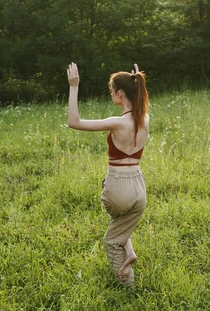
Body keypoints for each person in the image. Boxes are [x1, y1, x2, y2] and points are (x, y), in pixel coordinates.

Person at [66, 62, 149, 287]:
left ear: (120, 94)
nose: (111, 95)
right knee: (122, 223)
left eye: (112, 92)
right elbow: (138, 99)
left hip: (118, 188)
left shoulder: (118, 123)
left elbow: (74, 122)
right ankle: (128, 250)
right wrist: (136, 83)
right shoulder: (145, 119)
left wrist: (74, 86)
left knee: (111, 240)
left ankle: (127, 286)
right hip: (139, 189)